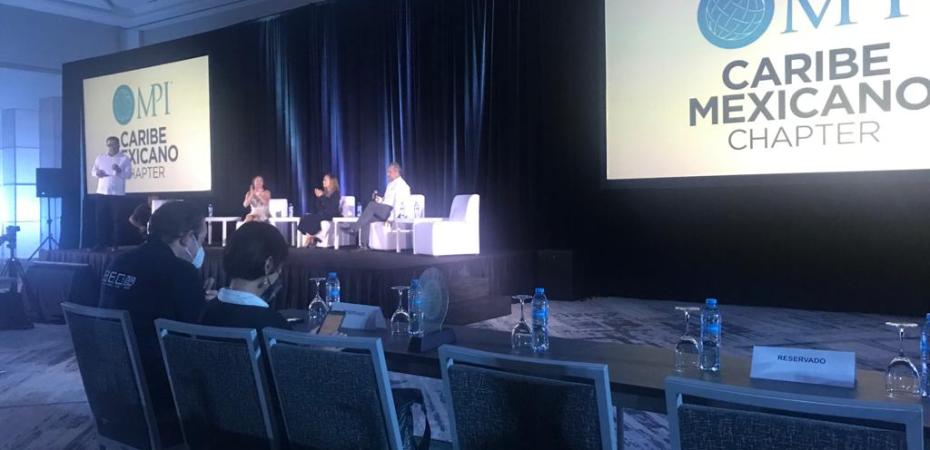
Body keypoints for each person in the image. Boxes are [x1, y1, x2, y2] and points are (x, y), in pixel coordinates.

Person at [97, 200, 210, 447]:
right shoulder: (180, 271)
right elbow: (197, 338)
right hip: (162, 392)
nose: (201, 247)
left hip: (114, 383)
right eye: (201, 240)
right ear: (186, 237)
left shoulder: (119, 261)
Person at [199, 221, 292, 331]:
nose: (279, 273)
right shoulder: (275, 326)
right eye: (279, 267)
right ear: (268, 265)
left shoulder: (204, 312)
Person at [351, 162, 411, 248]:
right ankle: (364, 245)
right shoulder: (390, 184)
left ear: (396, 172)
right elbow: (387, 200)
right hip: (384, 209)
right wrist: (380, 200)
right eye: (387, 172)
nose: (387, 174)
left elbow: (398, 204)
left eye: (390, 172)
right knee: (366, 218)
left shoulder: (402, 185)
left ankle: (353, 229)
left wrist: (391, 218)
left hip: (390, 211)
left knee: (371, 205)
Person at [91, 136, 133, 251]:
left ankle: (115, 244)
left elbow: (128, 175)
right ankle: (101, 244)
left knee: (117, 220)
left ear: (118, 145)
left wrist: (119, 171)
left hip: (117, 194)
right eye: (109, 144)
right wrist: (97, 173)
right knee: (101, 219)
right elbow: (93, 171)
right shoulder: (100, 157)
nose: (111, 147)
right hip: (101, 192)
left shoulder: (124, 158)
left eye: (113, 144)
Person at [297, 174, 342, 247]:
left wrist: (322, 196)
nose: (323, 181)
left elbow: (331, 207)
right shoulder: (324, 193)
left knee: (313, 217)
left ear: (332, 181)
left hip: (332, 214)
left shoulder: (335, 193)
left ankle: (310, 238)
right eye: (323, 180)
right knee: (306, 216)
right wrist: (318, 197)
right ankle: (310, 236)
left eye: (325, 180)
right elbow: (318, 208)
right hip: (323, 214)